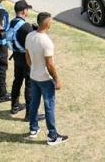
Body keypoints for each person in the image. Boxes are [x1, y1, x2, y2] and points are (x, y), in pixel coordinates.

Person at [25, 12, 68, 145]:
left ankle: (33, 129)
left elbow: (27, 55)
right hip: (45, 79)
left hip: (34, 76)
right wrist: (57, 80)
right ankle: (53, 136)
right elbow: (49, 64)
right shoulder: (46, 42)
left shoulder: (30, 35)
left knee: (34, 103)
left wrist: (33, 68)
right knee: (49, 106)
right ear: (47, 24)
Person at [8, 0, 35, 116]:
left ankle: (14, 106)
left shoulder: (12, 22)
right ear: (24, 11)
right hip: (26, 58)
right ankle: (30, 113)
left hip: (16, 56)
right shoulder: (26, 27)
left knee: (17, 81)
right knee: (29, 84)